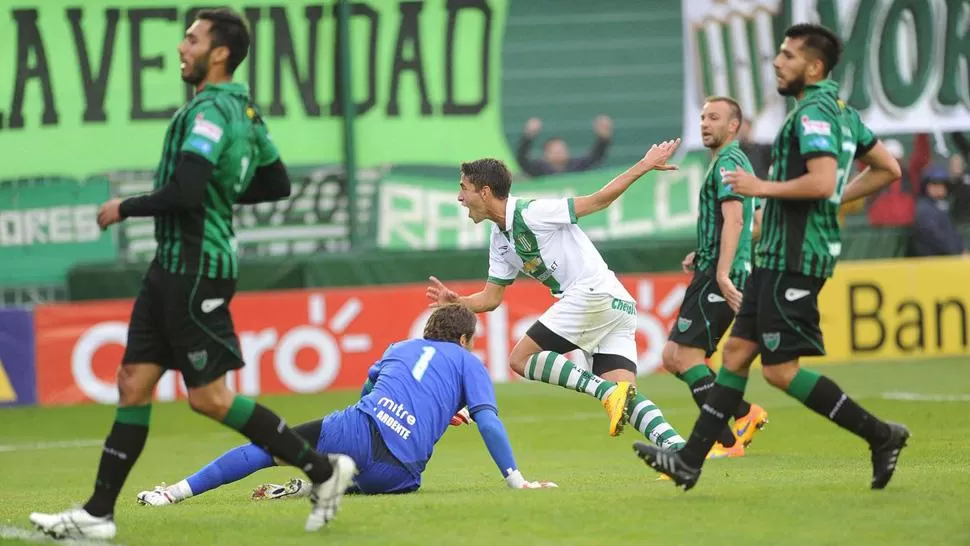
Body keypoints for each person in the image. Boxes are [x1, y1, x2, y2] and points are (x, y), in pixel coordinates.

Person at [29, 9, 355, 540]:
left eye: (191, 38)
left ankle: (324, 470)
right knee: (132, 383)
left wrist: (124, 207)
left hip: (198, 268)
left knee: (209, 397)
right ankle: (98, 513)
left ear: (218, 52)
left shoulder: (212, 113)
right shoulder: (243, 111)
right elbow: (274, 181)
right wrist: (223, 189)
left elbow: (184, 192)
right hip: (171, 266)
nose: (182, 47)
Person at [634, 23, 909, 491]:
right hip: (777, 256)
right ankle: (690, 463)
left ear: (814, 66)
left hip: (795, 259)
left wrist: (765, 188)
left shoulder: (814, 116)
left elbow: (823, 182)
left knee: (781, 372)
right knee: (737, 354)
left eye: (788, 55)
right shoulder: (843, 113)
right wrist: (829, 198)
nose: (778, 62)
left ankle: (882, 435)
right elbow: (887, 168)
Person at [134, 304, 556, 507]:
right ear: (465, 339)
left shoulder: (401, 346)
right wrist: (516, 480)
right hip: (399, 473)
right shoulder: (469, 362)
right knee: (401, 483)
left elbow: (372, 384)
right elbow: (489, 422)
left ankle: (172, 493)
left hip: (355, 429)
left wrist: (374, 417)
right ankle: (321, 484)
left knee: (264, 448)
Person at [426, 142, 686, 451]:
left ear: (484, 192)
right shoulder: (499, 238)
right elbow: (491, 299)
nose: (459, 197)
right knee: (625, 396)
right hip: (616, 304)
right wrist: (457, 301)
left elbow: (598, 201)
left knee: (520, 359)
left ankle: (605, 393)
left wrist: (644, 164)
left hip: (592, 294)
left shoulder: (533, 211)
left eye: (463, 189)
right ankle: (682, 453)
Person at [663, 96, 768, 461]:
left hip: (717, 277)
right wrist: (707, 249)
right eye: (703, 117)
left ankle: (726, 442)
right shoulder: (736, 164)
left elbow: (738, 221)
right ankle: (743, 413)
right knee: (673, 356)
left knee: (687, 359)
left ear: (734, 125)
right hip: (712, 267)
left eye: (714, 117)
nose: (705, 123)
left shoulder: (727, 162)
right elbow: (755, 226)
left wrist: (723, 270)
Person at [516, 116, 612, 177]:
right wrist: (528, 136)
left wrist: (603, 139)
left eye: (561, 150)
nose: (559, 153)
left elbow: (595, 157)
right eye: (554, 151)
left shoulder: (577, 167)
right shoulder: (539, 170)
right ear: (545, 154)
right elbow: (522, 160)